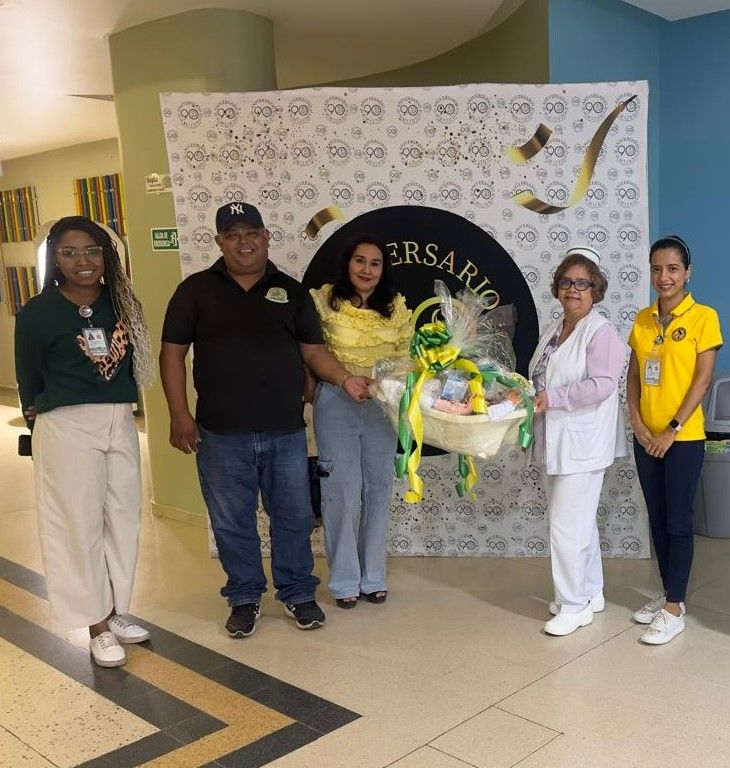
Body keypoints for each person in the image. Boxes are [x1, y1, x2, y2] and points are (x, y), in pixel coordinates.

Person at [160, 202, 369, 638]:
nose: (243, 242)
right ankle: (244, 597)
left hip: (285, 432)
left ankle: (296, 593)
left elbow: (312, 351)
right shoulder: (195, 290)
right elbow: (173, 353)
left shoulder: (291, 292)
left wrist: (345, 379)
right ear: (219, 242)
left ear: (266, 236)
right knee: (232, 521)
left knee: (292, 516)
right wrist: (180, 413)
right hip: (220, 433)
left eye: (251, 232)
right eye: (232, 235)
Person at [14, 216, 154, 667]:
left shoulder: (123, 303)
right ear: (56, 258)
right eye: (70, 253)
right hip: (66, 425)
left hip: (118, 418)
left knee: (121, 518)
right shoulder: (38, 311)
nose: (83, 261)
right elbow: (28, 378)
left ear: (106, 255)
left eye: (92, 251)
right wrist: (39, 428)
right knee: (78, 524)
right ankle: (95, 624)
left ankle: (115, 611)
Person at [627, 235, 722, 645]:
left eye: (671, 269)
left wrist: (672, 429)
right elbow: (633, 375)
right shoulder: (642, 319)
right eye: (656, 269)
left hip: (682, 438)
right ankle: (668, 594)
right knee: (658, 517)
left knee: (679, 521)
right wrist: (636, 421)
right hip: (646, 436)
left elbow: (702, 381)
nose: (663, 277)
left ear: (687, 273)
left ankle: (675, 607)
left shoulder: (704, 317)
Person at [529, 246, 626, 636]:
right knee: (580, 523)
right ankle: (591, 592)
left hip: (583, 444)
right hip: (557, 439)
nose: (574, 289)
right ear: (557, 288)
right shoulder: (556, 329)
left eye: (582, 283)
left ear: (595, 290)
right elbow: (542, 376)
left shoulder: (601, 331)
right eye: (567, 282)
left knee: (567, 526)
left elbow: (602, 385)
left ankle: (572, 605)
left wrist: (552, 398)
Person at [310, 235, 411, 608]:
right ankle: (343, 582)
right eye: (359, 261)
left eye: (375, 263)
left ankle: (373, 577)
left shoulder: (396, 308)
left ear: (383, 270)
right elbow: (312, 351)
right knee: (341, 493)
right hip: (336, 400)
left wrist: (381, 384)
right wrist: (344, 379)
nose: (366, 270)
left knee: (379, 490)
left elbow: (405, 356)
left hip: (381, 403)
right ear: (346, 264)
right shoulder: (322, 301)